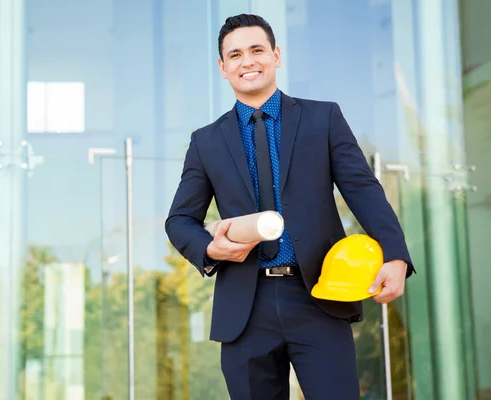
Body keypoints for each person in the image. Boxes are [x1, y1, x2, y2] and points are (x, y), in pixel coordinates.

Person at [165, 13, 414, 399]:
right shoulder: (205, 142)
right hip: (245, 309)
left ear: (276, 55)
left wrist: (395, 255)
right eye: (235, 55)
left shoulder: (323, 118)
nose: (247, 61)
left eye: (256, 50)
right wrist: (208, 248)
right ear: (223, 67)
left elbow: (363, 190)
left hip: (319, 295)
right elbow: (180, 220)